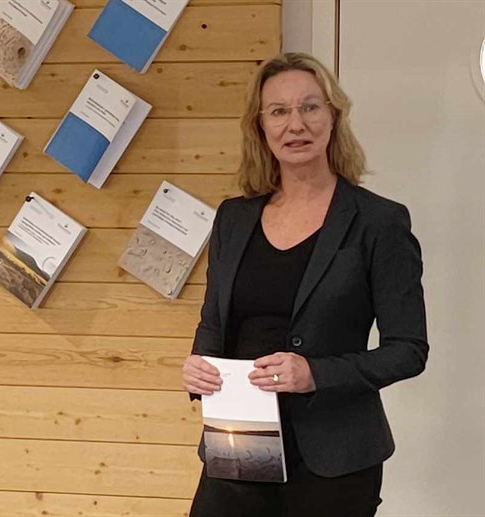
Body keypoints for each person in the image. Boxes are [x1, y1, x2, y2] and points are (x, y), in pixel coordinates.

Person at [182, 52, 429, 516]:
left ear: (333, 116)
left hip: (336, 461)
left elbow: (408, 350)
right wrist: (199, 367)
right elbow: (214, 321)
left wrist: (314, 373)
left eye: (310, 107)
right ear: (260, 127)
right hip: (238, 446)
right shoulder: (233, 218)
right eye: (278, 111)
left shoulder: (378, 222)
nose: (295, 124)